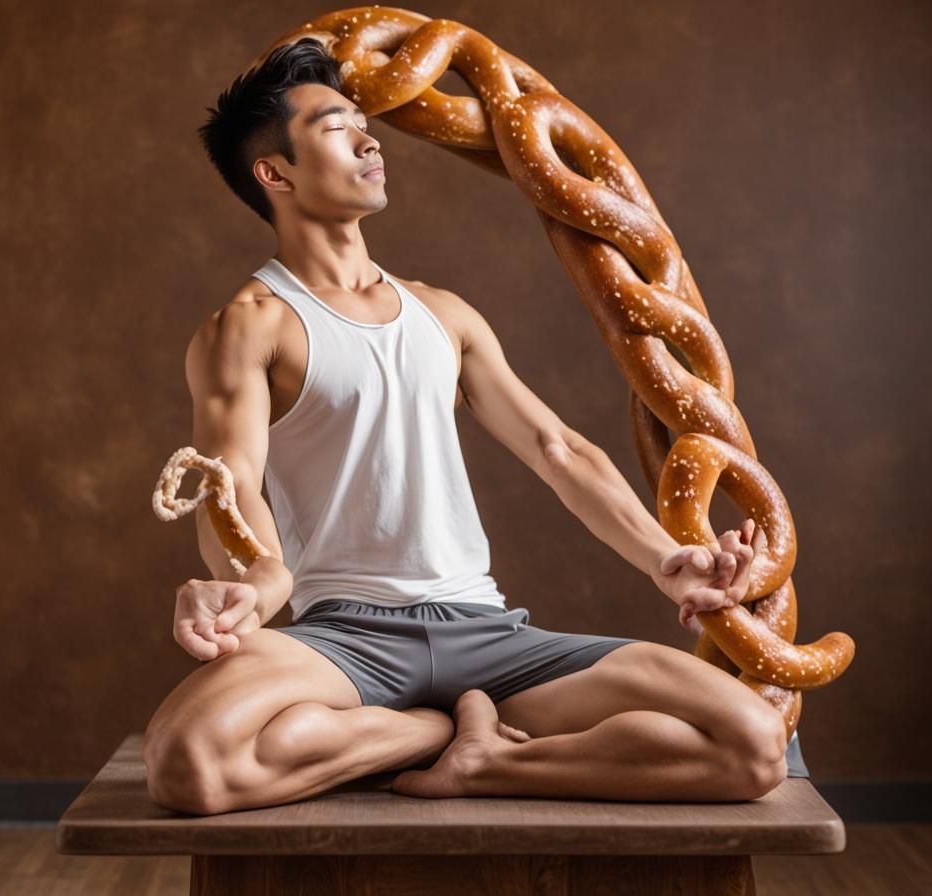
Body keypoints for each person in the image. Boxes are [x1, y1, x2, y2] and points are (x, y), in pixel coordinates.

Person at [141, 38, 786, 816]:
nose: (369, 138)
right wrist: (254, 579)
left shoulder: (442, 314)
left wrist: (666, 561)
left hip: (488, 637)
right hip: (344, 641)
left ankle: (481, 761)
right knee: (189, 765)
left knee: (750, 743)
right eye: (336, 128)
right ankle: (427, 731)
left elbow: (558, 450)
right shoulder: (247, 326)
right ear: (275, 173)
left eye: (363, 124)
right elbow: (231, 478)